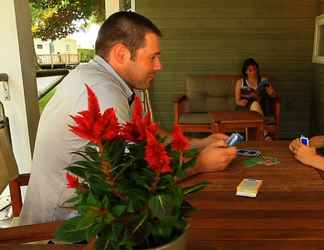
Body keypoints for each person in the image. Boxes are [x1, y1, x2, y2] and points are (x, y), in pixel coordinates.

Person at [20, 11, 237, 225]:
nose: (159, 66)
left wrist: (198, 144)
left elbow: (149, 133)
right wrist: (200, 164)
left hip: (96, 213)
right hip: (61, 231)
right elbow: (132, 181)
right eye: (153, 57)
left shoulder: (108, 80)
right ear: (121, 54)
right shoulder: (102, 92)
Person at [234, 58, 277, 140]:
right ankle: (265, 134)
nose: (253, 72)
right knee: (254, 103)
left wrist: (271, 92)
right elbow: (237, 101)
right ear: (245, 71)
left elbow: (273, 95)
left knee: (255, 104)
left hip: (261, 107)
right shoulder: (240, 82)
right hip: (245, 108)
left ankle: (261, 137)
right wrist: (241, 102)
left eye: (254, 69)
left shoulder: (263, 80)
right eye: (250, 70)